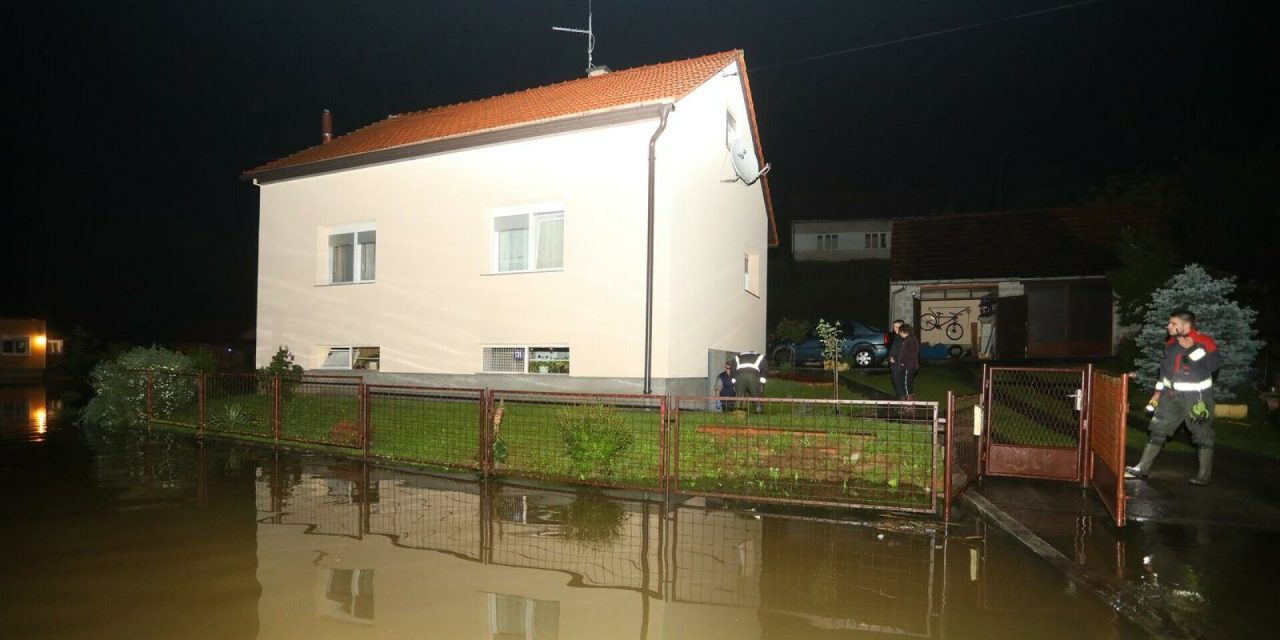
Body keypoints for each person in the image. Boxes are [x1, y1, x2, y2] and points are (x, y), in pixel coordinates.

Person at [1126, 309, 1222, 486]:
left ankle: (1203, 475)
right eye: (1169, 323)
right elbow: (1164, 373)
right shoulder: (1171, 344)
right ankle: (1142, 468)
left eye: (1173, 323)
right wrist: (1157, 394)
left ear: (1185, 325)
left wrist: (1192, 349)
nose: (1168, 326)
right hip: (1171, 398)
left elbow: (1214, 365)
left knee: (1202, 435)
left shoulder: (1204, 341)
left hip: (1197, 400)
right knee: (1158, 430)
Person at [733, 349, 768, 413]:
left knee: (739, 397)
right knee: (756, 396)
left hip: (739, 376)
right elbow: (765, 371)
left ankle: (737, 414)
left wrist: (734, 383)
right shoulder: (761, 357)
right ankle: (759, 413)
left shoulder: (737, 357)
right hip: (753, 376)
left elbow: (733, 371)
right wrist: (762, 384)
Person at [893, 324, 920, 400]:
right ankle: (909, 404)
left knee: (906, 386)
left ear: (904, 331)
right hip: (908, 365)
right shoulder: (910, 339)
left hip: (908, 366)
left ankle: (909, 406)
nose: (900, 334)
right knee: (907, 385)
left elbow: (909, 353)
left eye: (900, 332)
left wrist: (902, 362)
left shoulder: (910, 340)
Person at [887, 319, 905, 395]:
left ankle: (903, 404)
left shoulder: (903, 338)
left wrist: (896, 360)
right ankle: (901, 403)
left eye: (898, 327)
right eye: (894, 327)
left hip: (899, 365)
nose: (896, 329)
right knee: (897, 385)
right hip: (894, 366)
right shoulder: (897, 337)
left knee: (900, 386)